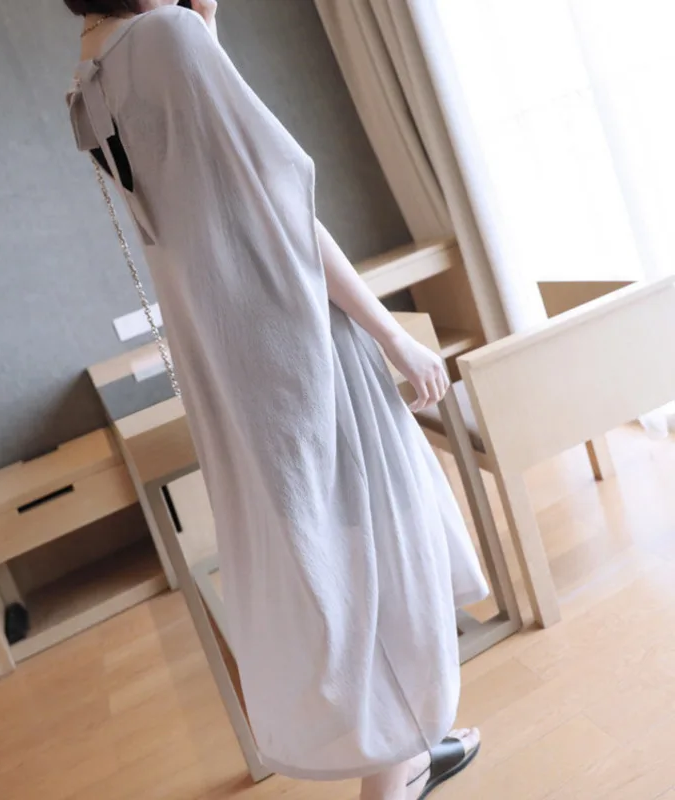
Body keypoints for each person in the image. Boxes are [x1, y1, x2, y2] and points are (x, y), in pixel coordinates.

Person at [65, 2, 489, 798]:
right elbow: (280, 208)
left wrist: (206, 31)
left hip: (235, 360)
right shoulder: (167, 38)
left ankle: (404, 756)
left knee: (337, 545)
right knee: (379, 535)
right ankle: (393, 777)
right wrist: (391, 335)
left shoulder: (91, 69)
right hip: (297, 340)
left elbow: (208, 184)